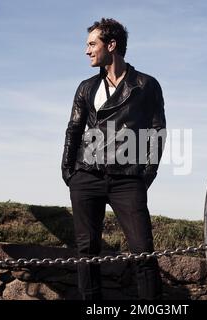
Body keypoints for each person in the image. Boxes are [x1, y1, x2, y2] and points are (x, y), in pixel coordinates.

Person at [61, 18, 166, 300]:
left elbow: (157, 132)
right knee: (87, 251)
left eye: (92, 44)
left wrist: (146, 174)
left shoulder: (146, 85)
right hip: (86, 176)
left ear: (111, 45)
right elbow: (73, 129)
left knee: (143, 251)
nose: (87, 51)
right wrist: (69, 172)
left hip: (128, 179)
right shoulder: (85, 87)